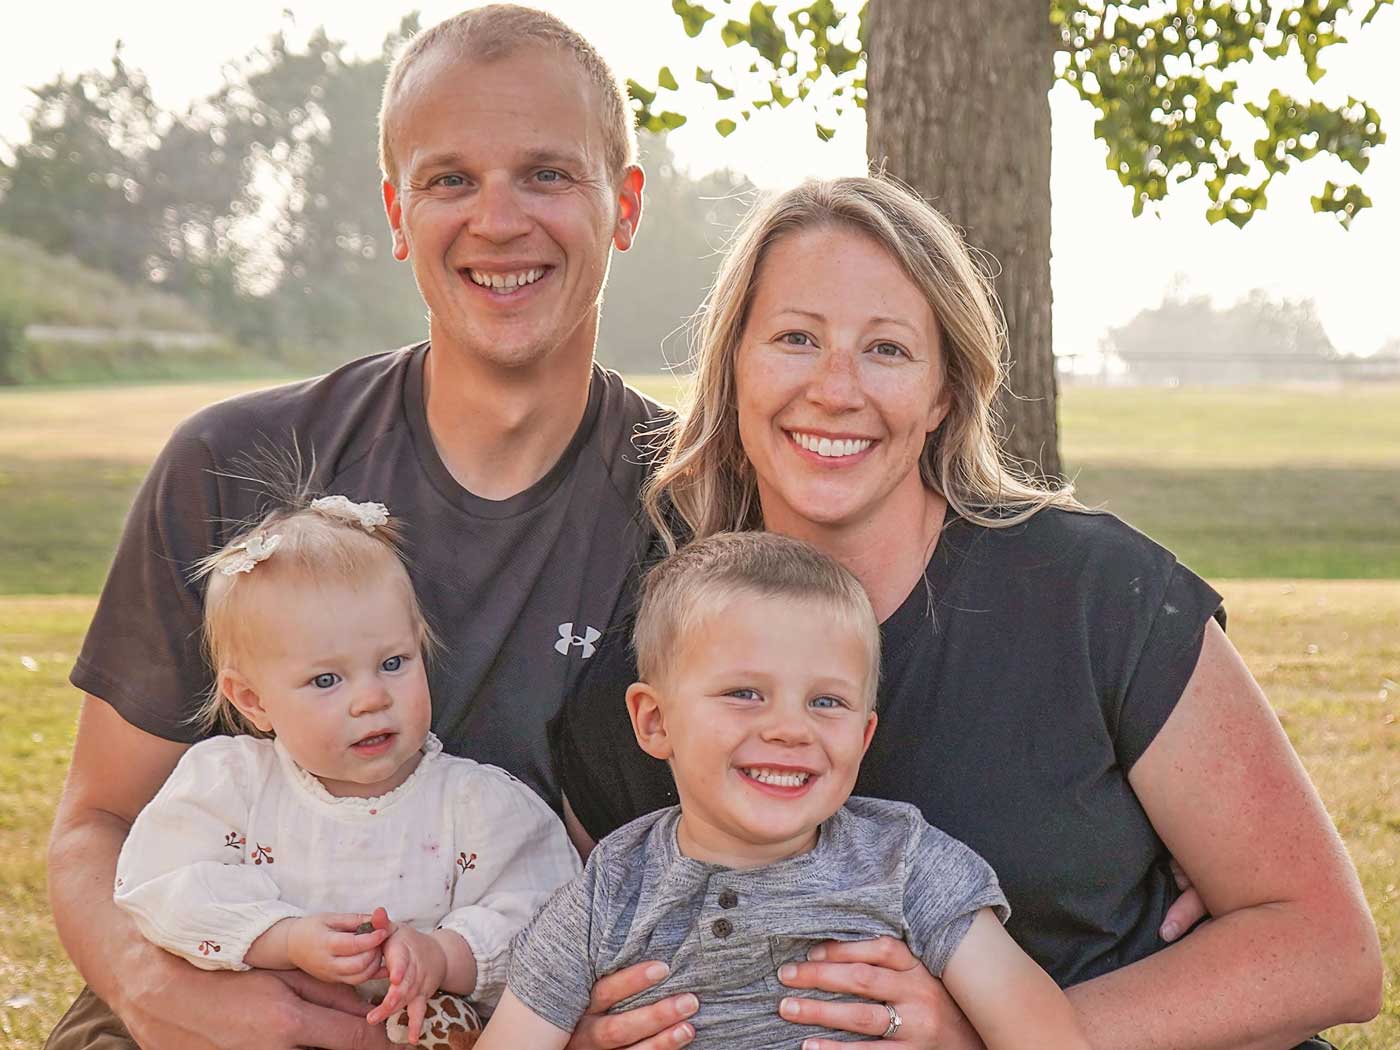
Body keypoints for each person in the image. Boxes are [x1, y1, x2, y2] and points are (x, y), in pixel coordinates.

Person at [552, 176, 1384, 1049]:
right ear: (732, 367)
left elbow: (1329, 950)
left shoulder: (1090, 590)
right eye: (796, 338)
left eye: (887, 350)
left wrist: (995, 1039)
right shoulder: (662, 661)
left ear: (945, 391)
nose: (836, 388)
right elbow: (585, 951)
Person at [45, 7, 674, 1050]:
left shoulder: (689, 511)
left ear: (624, 206)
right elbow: (97, 821)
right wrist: (155, 994)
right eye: (449, 180)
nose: (498, 220)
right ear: (395, 211)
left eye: (547, 175)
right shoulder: (234, 464)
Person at [479, 531, 1090, 1050]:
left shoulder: (903, 863)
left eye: (827, 702)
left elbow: (1040, 1032)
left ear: (865, 732)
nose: (791, 729)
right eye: (746, 693)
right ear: (654, 721)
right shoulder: (609, 893)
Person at [112, 492, 581, 1046]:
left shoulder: (477, 805)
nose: (371, 699)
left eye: (393, 663)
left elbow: (547, 913)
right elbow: (163, 885)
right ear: (253, 701)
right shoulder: (231, 786)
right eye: (327, 680)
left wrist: (444, 953)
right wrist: (281, 938)